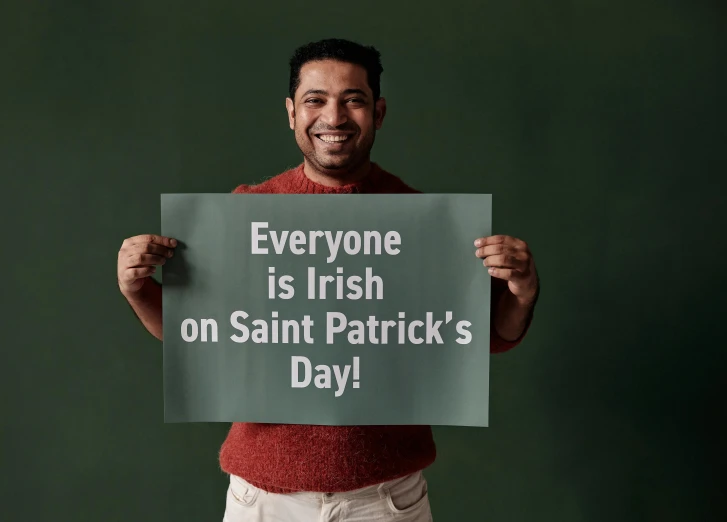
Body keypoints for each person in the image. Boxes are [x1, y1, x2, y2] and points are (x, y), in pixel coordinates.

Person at [116, 38, 539, 522]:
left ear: (378, 112)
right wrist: (139, 289)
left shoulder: (424, 224)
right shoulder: (244, 213)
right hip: (262, 501)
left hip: (383, 501)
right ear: (291, 112)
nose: (333, 117)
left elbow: (481, 337)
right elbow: (200, 336)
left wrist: (522, 291)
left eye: (353, 100)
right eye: (315, 100)